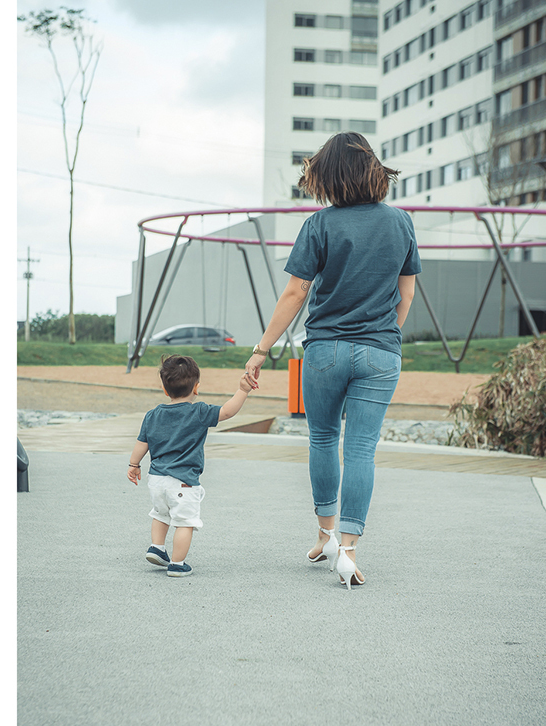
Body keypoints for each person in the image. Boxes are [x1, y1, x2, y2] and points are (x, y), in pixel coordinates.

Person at [245, 131, 420, 590]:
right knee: (361, 448)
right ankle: (347, 549)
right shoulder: (401, 223)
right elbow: (406, 293)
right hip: (381, 350)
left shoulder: (319, 225)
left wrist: (262, 349)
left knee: (323, 438)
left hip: (326, 350)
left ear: (330, 176)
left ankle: (324, 535)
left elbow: (295, 291)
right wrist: (387, 334)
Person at [127, 355, 255, 577]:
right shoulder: (199, 412)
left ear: (165, 390)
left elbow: (142, 444)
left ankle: (157, 548)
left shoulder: (153, 415)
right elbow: (227, 411)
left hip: (156, 480)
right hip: (183, 482)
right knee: (185, 522)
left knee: (160, 514)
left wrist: (133, 464)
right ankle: (177, 563)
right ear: (196, 388)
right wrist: (243, 390)